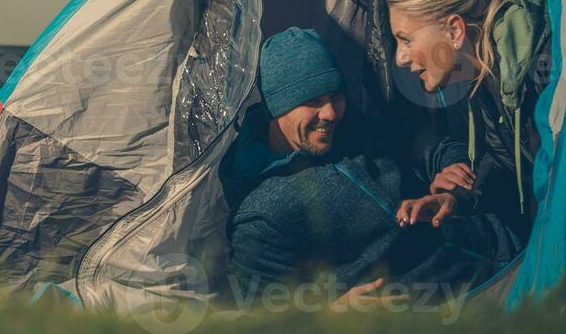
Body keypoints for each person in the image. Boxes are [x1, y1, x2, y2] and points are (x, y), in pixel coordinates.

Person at [220, 27, 520, 302]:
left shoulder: (354, 127)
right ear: (277, 106)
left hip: (508, 248)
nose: (330, 113)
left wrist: (450, 175)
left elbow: (433, 147)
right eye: (312, 100)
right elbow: (258, 319)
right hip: (452, 310)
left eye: (335, 95)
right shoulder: (261, 211)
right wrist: (331, 316)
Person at [386, 0, 551, 236]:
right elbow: (510, 160)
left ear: (454, 30)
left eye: (407, 39)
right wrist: (456, 198)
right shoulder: (487, 71)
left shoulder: (541, 65)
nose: (400, 58)